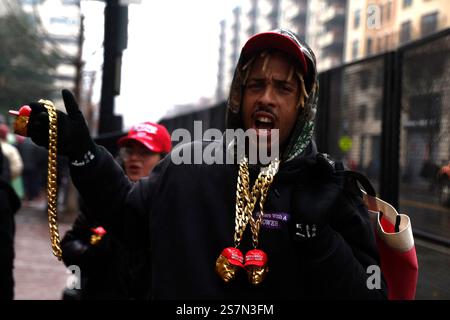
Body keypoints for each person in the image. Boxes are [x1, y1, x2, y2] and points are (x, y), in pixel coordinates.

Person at [19, 28, 387, 299]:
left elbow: (373, 291)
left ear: (304, 105)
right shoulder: (187, 166)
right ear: (238, 96)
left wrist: (317, 238)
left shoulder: (329, 186)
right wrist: (84, 153)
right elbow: (127, 219)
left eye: (284, 88)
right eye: (255, 85)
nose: (266, 99)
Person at [60, 122, 171, 300]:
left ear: (163, 159)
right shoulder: (104, 198)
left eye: (145, 152)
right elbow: (69, 246)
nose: (134, 158)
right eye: (129, 151)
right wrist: (95, 252)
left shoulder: (169, 206)